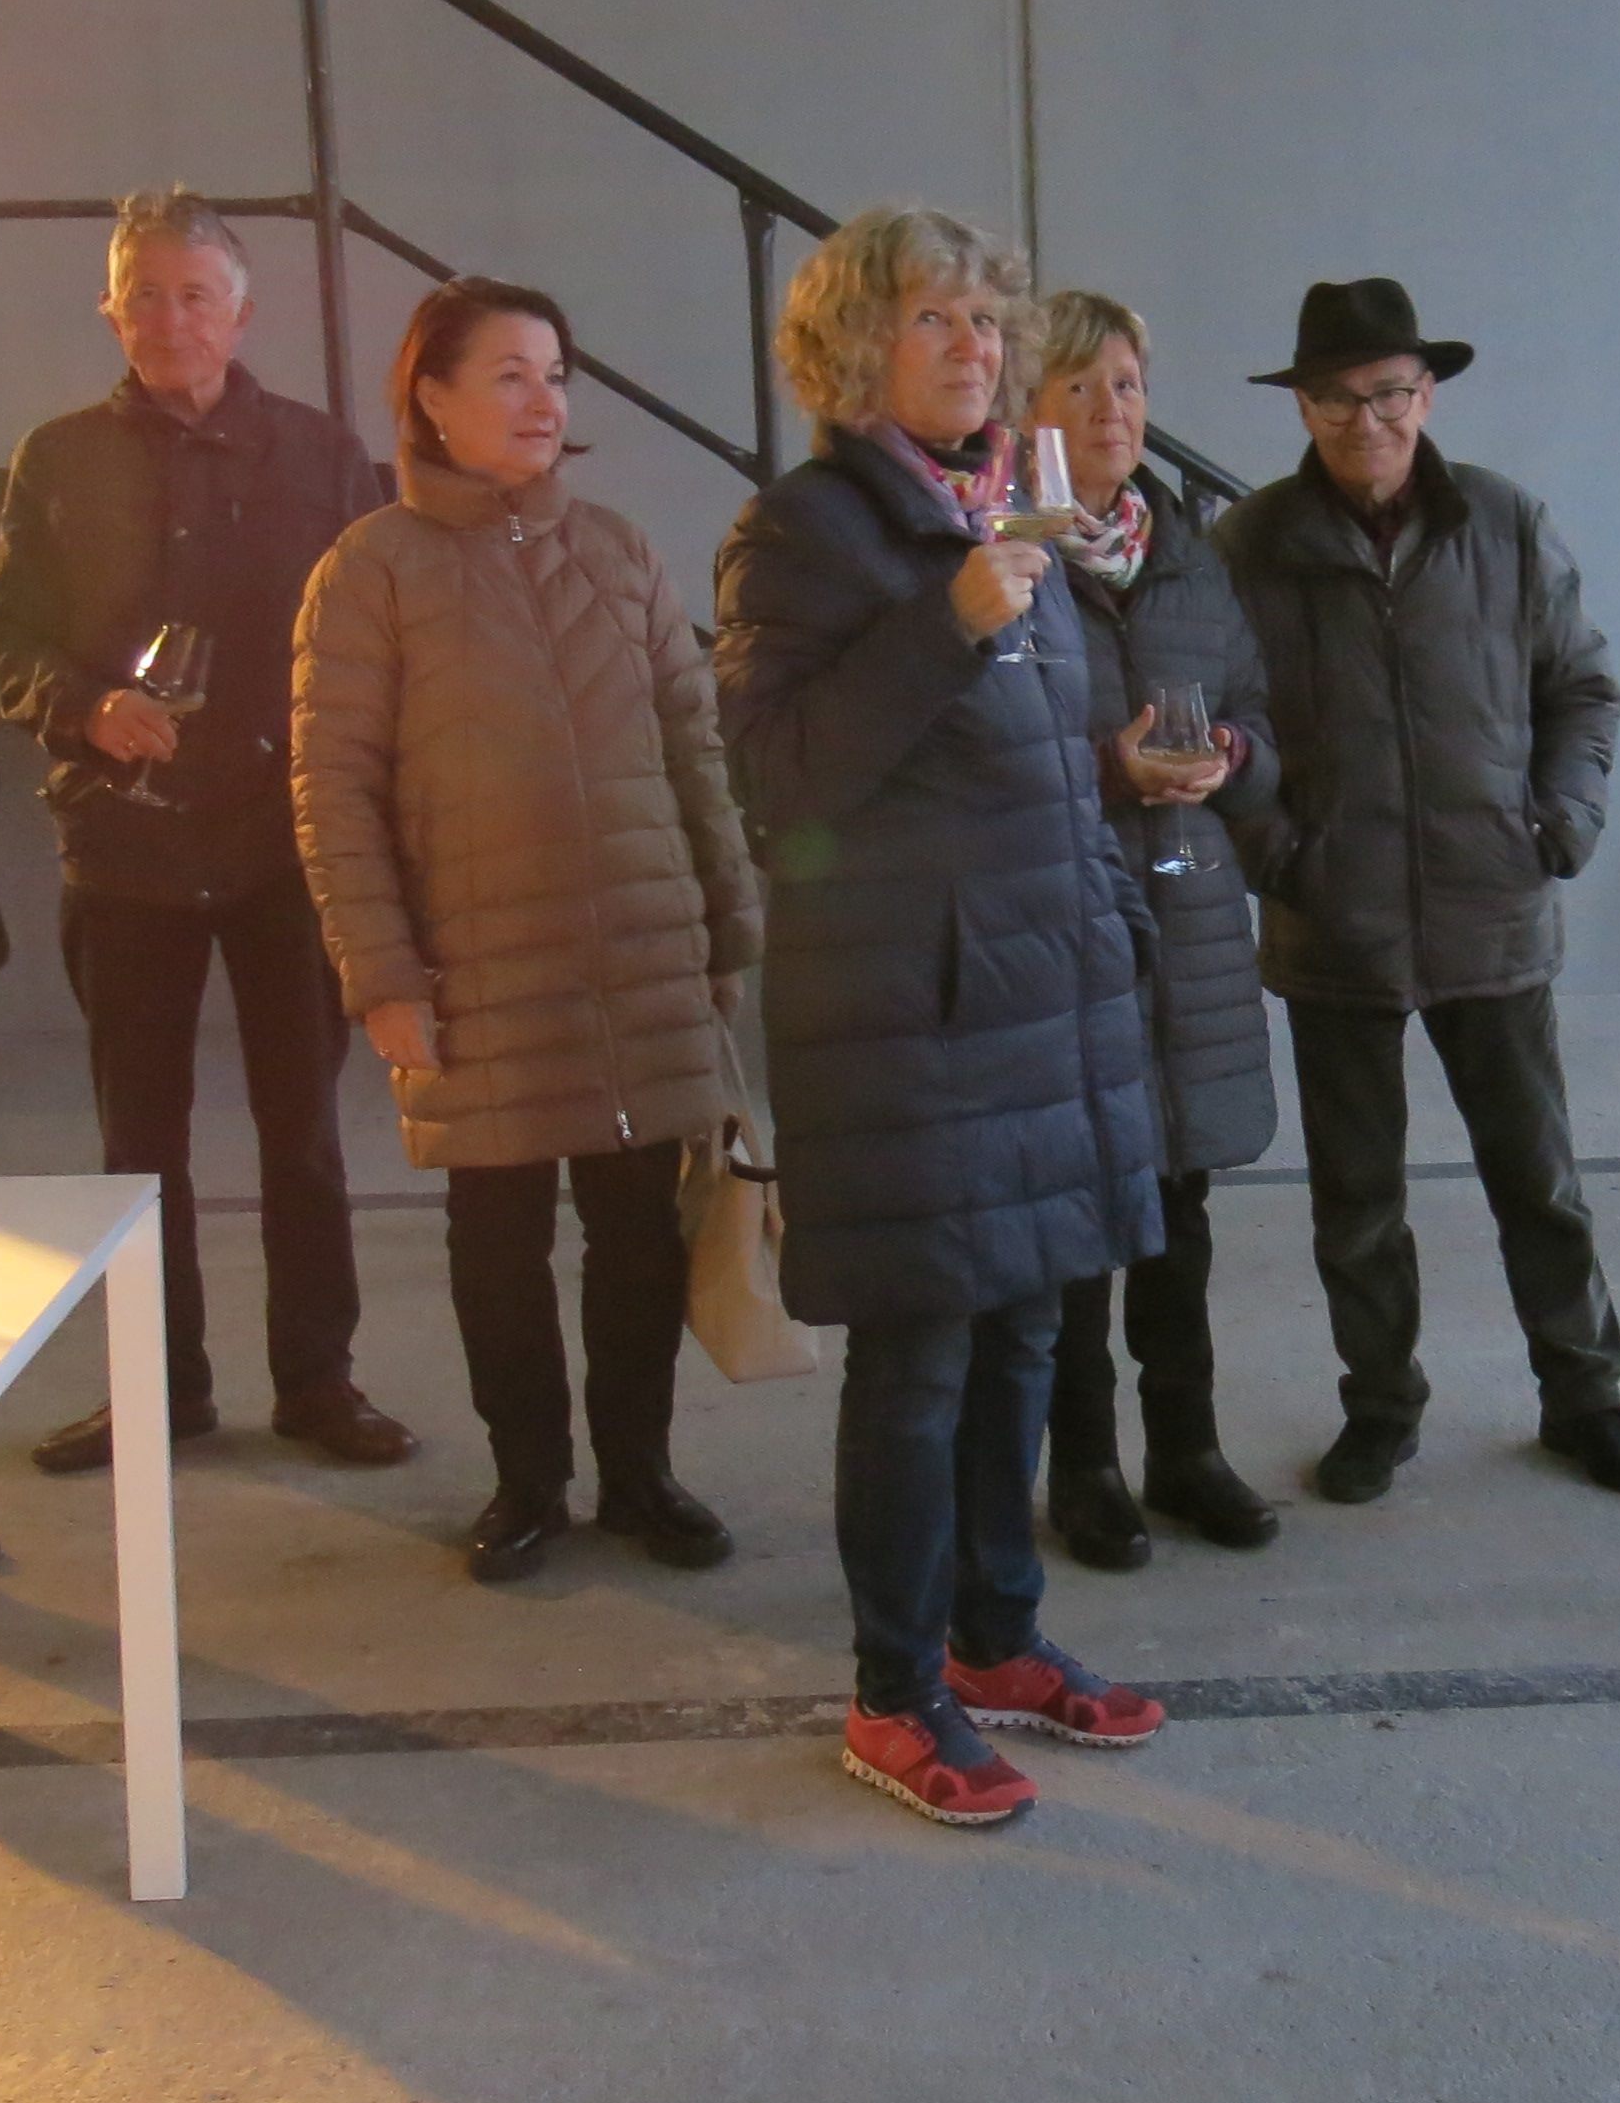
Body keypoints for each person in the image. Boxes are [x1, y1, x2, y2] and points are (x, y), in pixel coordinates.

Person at [715, 205, 1167, 1829]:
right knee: (915, 1359)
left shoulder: (1009, 512)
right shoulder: (804, 535)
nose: (975, 347)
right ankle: (892, 1688)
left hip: (1038, 1002)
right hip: (908, 1016)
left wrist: (1116, 912)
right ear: (852, 353)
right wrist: (947, 624)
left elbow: (1045, 769)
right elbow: (782, 783)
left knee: (1029, 1332)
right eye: (935, 321)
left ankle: (997, 1634)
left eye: (987, 321)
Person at [290, 278, 760, 1583]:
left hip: (638, 962)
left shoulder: (616, 549)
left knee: (638, 1236)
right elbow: (333, 788)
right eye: (506, 374)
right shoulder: (371, 569)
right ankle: (528, 1483)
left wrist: (728, 919)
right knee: (497, 1239)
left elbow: (691, 746)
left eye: (554, 373)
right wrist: (378, 969)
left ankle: (643, 1474)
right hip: (476, 969)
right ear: (430, 398)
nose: (541, 399)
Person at [0, 189, 414, 1479]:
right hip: (127, 849)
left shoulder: (322, 454)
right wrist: (81, 706)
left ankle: (318, 1381)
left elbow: (374, 641)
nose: (172, 319)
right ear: (112, 311)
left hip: (288, 842)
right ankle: (156, 1388)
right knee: (137, 1140)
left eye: (197, 295)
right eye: (147, 295)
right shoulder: (56, 459)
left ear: (242, 314)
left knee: (305, 1131)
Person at [1213, 276, 1620, 1505]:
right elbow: (1213, 722)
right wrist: (1275, 853)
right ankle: (1380, 1406)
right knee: (1356, 1200)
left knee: (1540, 1184)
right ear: (1303, 407)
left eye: (1393, 394)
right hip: (1333, 923)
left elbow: (1584, 689)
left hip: (1491, 908)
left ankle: (1585, 1397)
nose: (1371, 422)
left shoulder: (1505, 527)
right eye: (1342, 400)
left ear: (1428, 392)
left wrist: (1559, 823)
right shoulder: (1247, 548)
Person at [1020, 289, 1289, 1567]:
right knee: (1081, 1227)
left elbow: (1258, 714)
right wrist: (1108, 770)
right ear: (1029, 413)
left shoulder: (1189, 554)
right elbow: (979, 755)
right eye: (1078, 390)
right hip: (1069, 927)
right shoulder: (1005, 564)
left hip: (1186, 925)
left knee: (1178, 1220)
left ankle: (1187, 1452)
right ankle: (1085, 1470)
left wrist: (1229, 754)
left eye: (1125, 385)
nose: (1112, 410)